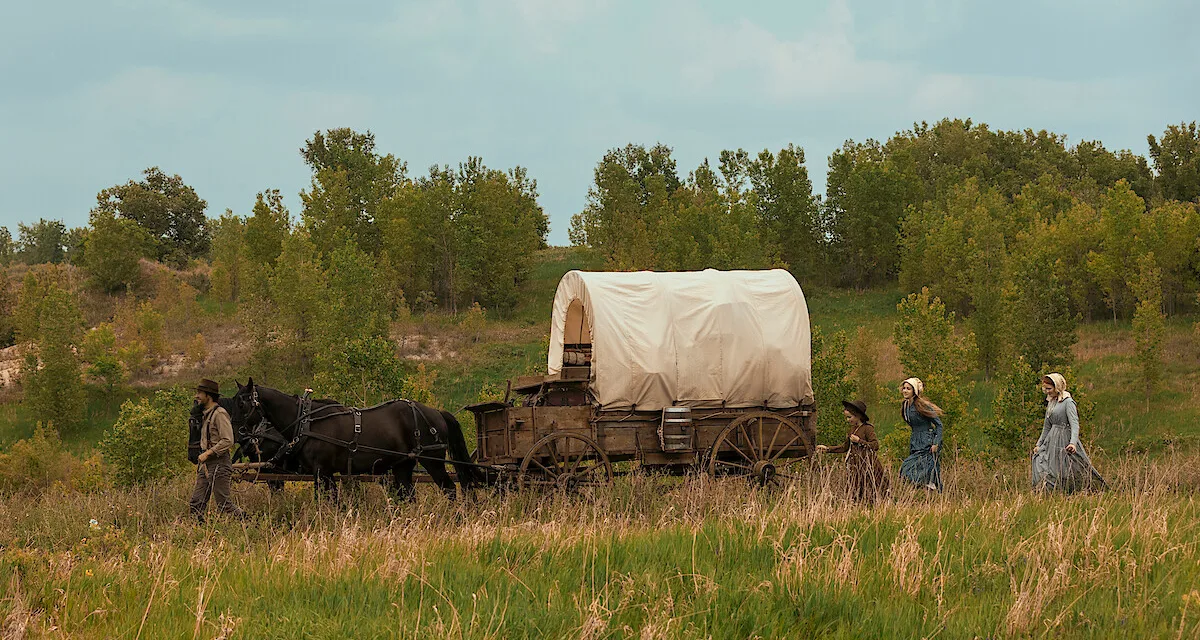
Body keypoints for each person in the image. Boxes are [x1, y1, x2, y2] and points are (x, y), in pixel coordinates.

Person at [1031, 373, 1106, 493]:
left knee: (1068, 468)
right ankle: (1050, 493)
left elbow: (1075, 424)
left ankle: (1084, 490)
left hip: (1064, 438)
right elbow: (1046, 426)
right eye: (1046, 389)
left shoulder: (1068, 402)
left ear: (1057, 387)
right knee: (1044, 464)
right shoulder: (1051, 402)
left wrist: (1073, 443)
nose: (1047, 392)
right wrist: (1039, 444)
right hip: (1051, 440)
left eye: (1049, 389)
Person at [188, 378, 243, 521]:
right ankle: (197, 533)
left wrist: (208, 453)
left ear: (208, 396)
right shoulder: (206, 414)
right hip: (206, 465)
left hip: (219, 463)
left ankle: (249, 524)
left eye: (200, 393)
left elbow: (228, 440)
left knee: (224, 505)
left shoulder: (220, 414)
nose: (197, 396)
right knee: (196, 503)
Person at [817, 400, 889, 503]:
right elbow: (844, 447)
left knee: (872, 490)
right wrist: (827, 449)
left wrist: (859, 441)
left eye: (849, 417)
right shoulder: (852, 430)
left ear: (858, 416)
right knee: (855, 492)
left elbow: (875, 445)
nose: (847, 420)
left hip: (868, 465)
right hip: (855, 466)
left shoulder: (867, 429)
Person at [899, 377, 943, 492]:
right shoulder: (905, 406)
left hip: (926, 441)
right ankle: (923, 492)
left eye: (908, 389)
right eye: (904, 388)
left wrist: (936, 443)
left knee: (910, 467)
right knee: (911, 468)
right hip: (915, 441)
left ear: (914, 391)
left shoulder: (922, 405)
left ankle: (930, 490)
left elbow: (939, 425)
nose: (905, 391)